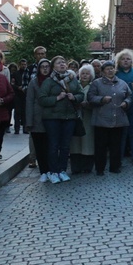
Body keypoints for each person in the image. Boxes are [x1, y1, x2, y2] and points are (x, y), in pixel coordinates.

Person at [38, 55, 84, 184]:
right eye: (59, 63)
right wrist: (56, 98)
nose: (62, 64)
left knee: (65, 146)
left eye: (63, 62)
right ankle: (53, 171)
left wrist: (74, 97)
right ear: (53, 67)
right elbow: (41, 99)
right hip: (52, 118)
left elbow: (81, 94)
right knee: (53, 145)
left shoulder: (73, 80)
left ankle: (62, 170)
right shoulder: (49, 81)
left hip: (69, 117)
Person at [87, 60, 131, 175]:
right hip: (101, 119)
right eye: (107, 69)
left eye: (112, 68)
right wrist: (101, 99)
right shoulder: (96, 83)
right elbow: (90, 97)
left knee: (116, 145)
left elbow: (129, 96)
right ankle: (100, 168)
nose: (110, 70)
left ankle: (115, 167)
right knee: (100, 146)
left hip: (118, 119)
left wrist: (126, 103)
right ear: (102, 72)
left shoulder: (122, 83)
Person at [25, 58, 51, 182]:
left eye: (47, 66)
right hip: (37, 119)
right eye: (42, 67)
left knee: (51, 146)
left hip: (52, 118)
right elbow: (29, 102)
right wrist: (29, 122)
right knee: (40, 147)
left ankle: (52, 169)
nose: (45, 69)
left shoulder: (54, 81)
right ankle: (43, 171)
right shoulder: (34, 82)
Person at [70, 64, 96, 174]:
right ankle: (76, 166)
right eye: (82, 73)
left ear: (91, 75)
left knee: (88, 142)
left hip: (88, 117)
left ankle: (87, 166)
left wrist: (88, 104)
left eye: (87, 73)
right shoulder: (75, 85)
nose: (85, 76)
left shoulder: (94, 86)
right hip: (76, 117)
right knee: (75, 142)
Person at [11, 59, 27, 134]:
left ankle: (25, 128)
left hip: (26, 95)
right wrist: (18, 87)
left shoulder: (27, 73)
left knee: (25, 112)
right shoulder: (15, 74)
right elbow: (12, 84)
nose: (23, 66)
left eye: (25, 64)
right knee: (17, 112)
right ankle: (16, 129)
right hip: (17, 95)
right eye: (22, 64)